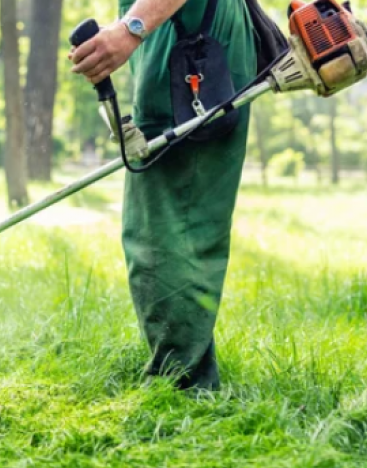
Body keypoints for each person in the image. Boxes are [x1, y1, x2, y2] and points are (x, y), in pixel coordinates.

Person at [69, 0, 256, 390]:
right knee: (168, 217)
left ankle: (182, 385)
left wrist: (130, 29)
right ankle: (186, 373)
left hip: (191, 37)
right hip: (181, 29)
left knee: (170, 221)